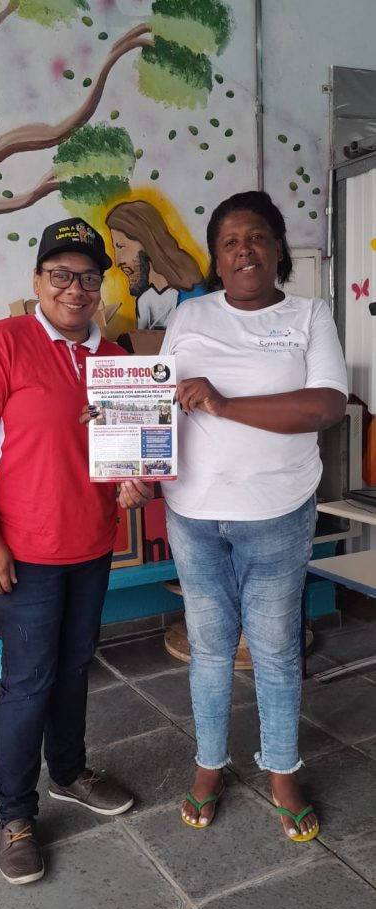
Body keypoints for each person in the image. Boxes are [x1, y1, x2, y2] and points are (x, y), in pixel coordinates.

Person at [0, 218, 151, 884]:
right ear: (37, 281)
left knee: (73, 667)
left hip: (90, 545)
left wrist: (134, 484)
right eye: (60, 274)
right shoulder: (4, 343)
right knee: (28, 681)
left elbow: (124, 458)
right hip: (23, 552)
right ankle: (14, 814)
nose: (75, 288)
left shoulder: (117, 362)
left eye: (88, 277)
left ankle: (68, 771)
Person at [160, 191, 348, 840]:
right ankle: (209, 764)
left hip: (276, 513)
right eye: (230, 241)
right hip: (192, 513)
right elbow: (159, 401)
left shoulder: (308, 315)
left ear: (277, 249)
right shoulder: (189, 316)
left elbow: (325, 406)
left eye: (257, 236)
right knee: (210, 646)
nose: (244, 249)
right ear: (216, 259)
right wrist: (125, 449)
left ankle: (281, 769)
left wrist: (222, 404)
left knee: (273, 649)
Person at [106, 200, 206, 328]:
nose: (118, 261)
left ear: (147, 242)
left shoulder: (195, 299)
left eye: (121, 246)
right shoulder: (144, 300)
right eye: (115, 248)